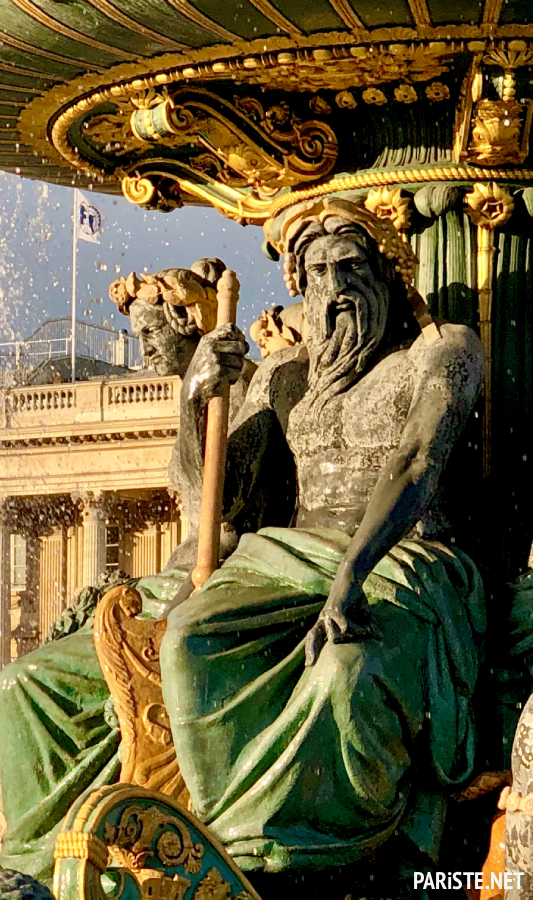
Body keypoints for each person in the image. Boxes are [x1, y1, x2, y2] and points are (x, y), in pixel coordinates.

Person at [161, 197, 485, 876]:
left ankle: (340, 853)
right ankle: (231, 842)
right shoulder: (285, 376)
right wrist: (197, 397)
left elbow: (417, 461)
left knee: (346, 670)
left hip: (404, 557)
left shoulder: (443, 350)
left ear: (391, 273)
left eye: (349, 268)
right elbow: (219, 498)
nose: (332, 291)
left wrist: (352, 578)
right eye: (315, 275)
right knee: (187, 642)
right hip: (290, 558)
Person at [0, 258, 274, 881]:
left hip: (221, 581)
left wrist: (200, 395)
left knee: (33, 684)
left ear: (191, 321)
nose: (144, 347)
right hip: (166, 585)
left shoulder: (251, 394)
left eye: (154, 330)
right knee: (20, 683)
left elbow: (220, 504)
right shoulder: (200, 389)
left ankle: (47, 859)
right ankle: (35, 857)